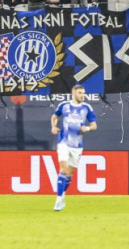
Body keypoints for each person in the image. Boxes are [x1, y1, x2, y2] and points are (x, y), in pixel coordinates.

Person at [51, 84, 97, 212]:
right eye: (80, 93)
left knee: (70, 173)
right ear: (73, 93)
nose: (82, 95)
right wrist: (53, 127)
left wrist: (87, 128)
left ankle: (63, 193)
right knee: (63, 169)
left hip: (77, 145)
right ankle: (59, 199)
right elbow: (54, 117)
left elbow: (94, 125)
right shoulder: (64, 105)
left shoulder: (87, 107)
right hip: (63, 142)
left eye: (83, 93)